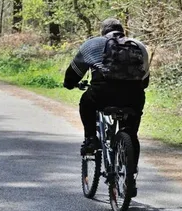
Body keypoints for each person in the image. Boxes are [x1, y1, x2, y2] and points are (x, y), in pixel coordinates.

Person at [63, 18, 149, 167]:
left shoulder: (92, 44)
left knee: (86, 102)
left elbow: (73, 74)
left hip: (102, 94)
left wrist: (70, 84)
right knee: (131, 132)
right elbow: (145, 81)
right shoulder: (138, 46)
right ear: (123, 31)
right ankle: (130, 175)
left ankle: (90, 139)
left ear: (103, 32)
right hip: (133, 96)